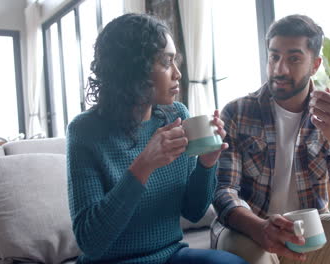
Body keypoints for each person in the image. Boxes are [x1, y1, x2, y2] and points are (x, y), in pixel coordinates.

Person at [211, 14, 330, 264]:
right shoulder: (238, 112)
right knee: (255, 258)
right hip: (248, 230)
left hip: (307, 232)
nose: (280, 69)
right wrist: (262, 228)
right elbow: (223, 191)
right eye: (274, 56)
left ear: (315, 64)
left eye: (294, 59)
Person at [66, 13, 248, 264]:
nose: (177, 74)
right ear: (133, 68)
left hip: (170, 255)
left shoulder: (176, 116)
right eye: (165, 62)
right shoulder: (85, 131)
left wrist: (207, 163)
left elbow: (194, 212)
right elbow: (91, 241)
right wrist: (143, 166)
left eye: (175, 61)